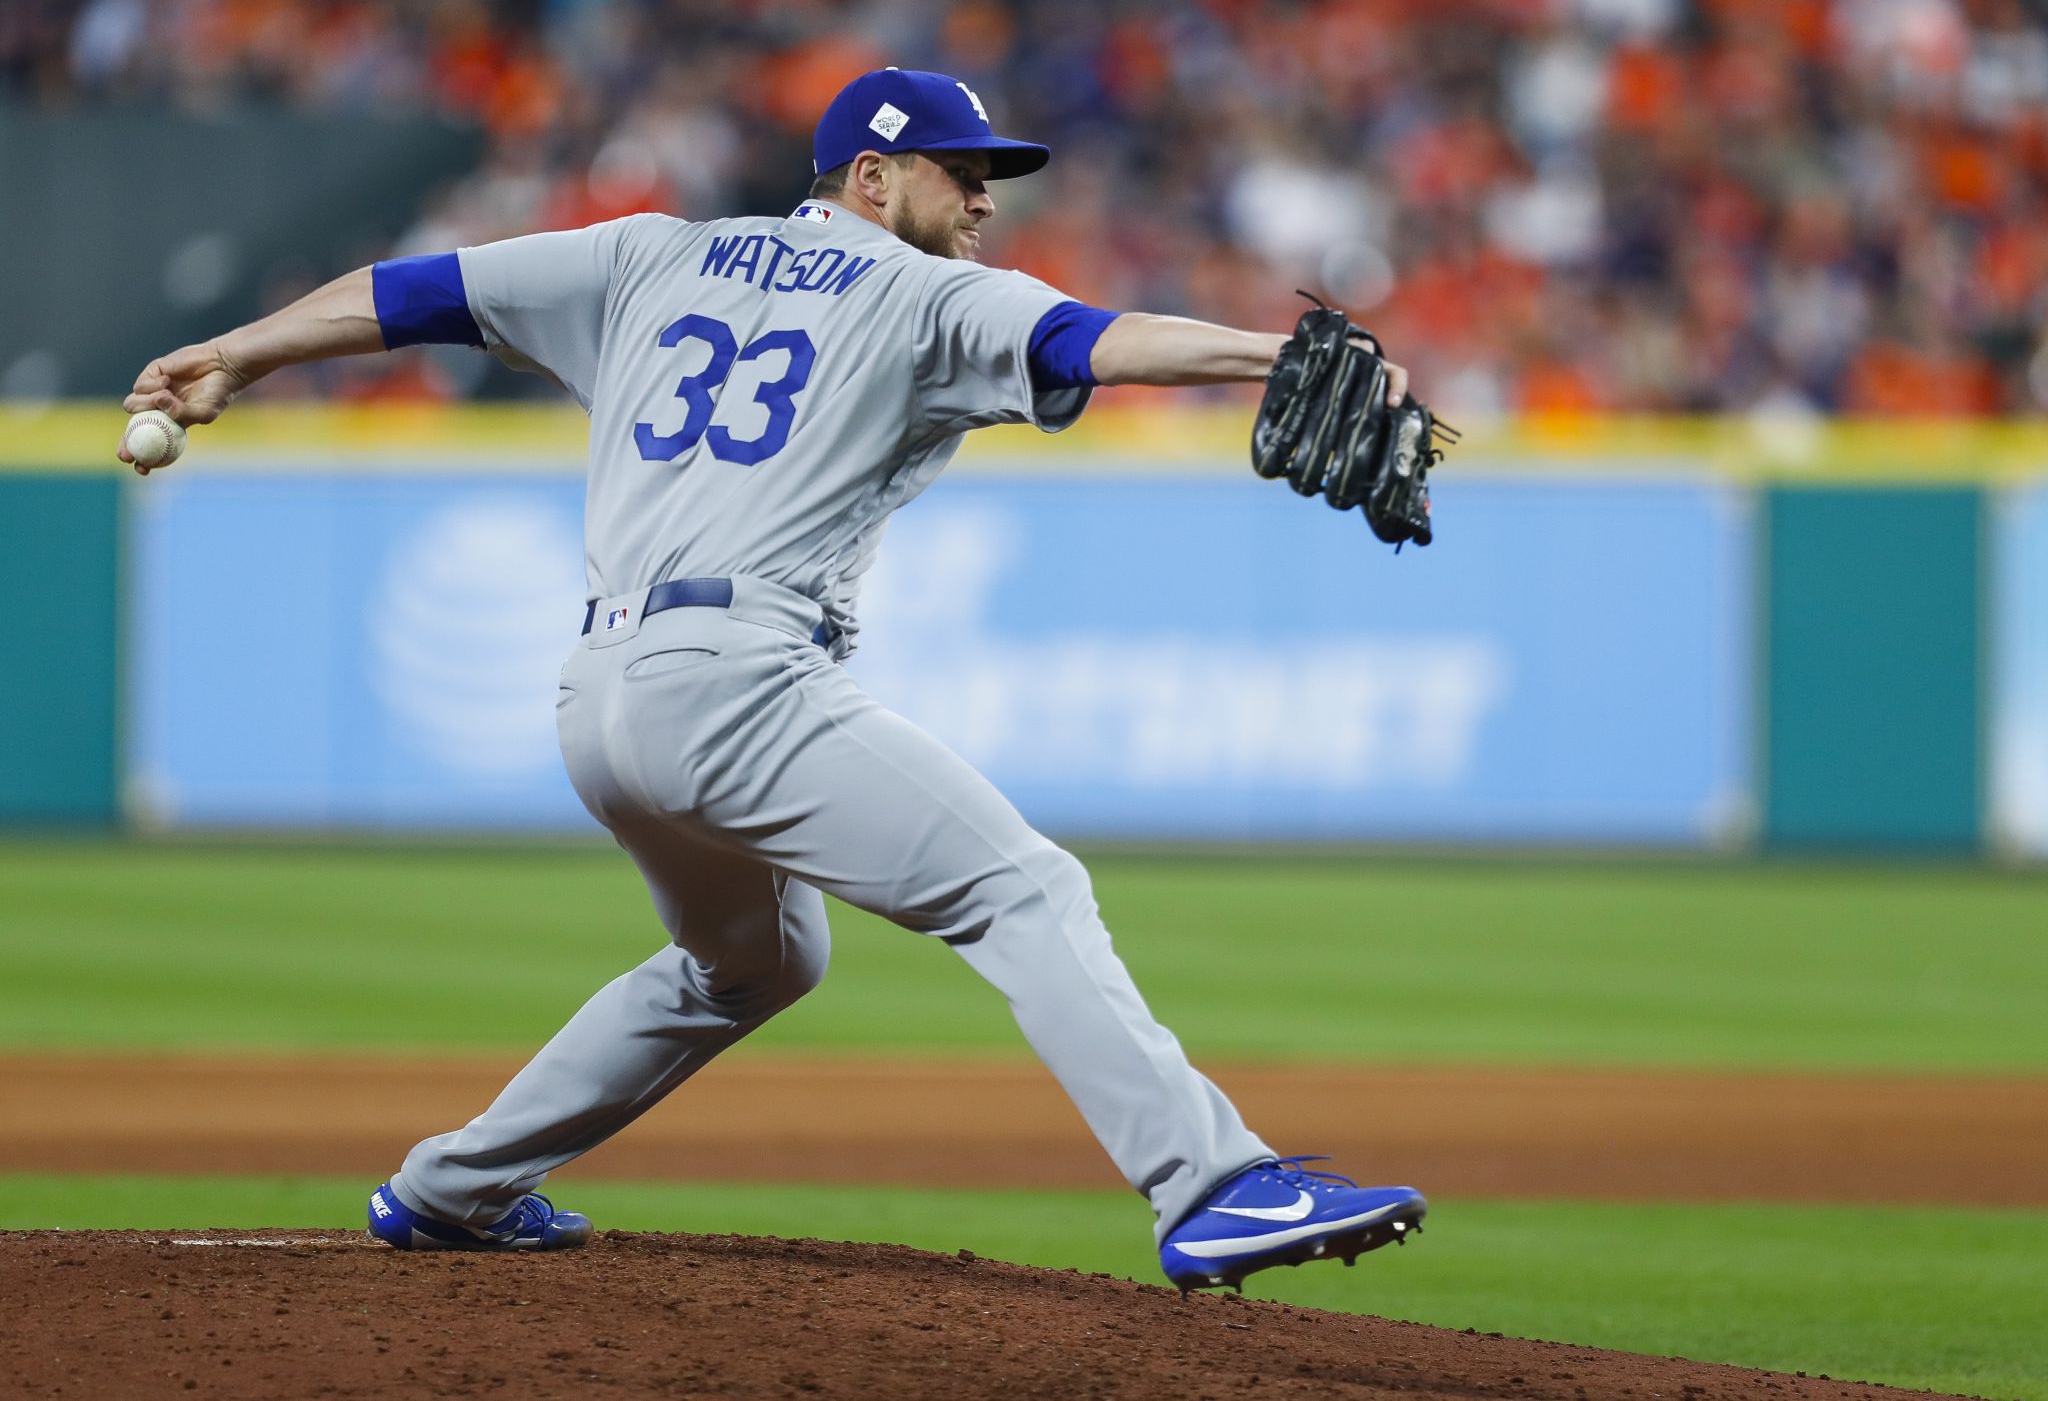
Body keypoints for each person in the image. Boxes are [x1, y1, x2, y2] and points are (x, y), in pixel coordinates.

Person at [119, 68, 1425, 1292]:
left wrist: (241, 349)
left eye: (990, 176)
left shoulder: (648, 252)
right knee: (1023, 885)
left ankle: (453, 1186)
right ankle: (1213, 1185)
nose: (983, 198)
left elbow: (414, 295)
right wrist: (1275, 352)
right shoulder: (926, 295)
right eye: (957, 172)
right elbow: (1100, 340)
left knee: (754, 960)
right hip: (736, 680)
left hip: (601, 697)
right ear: (870, 177)